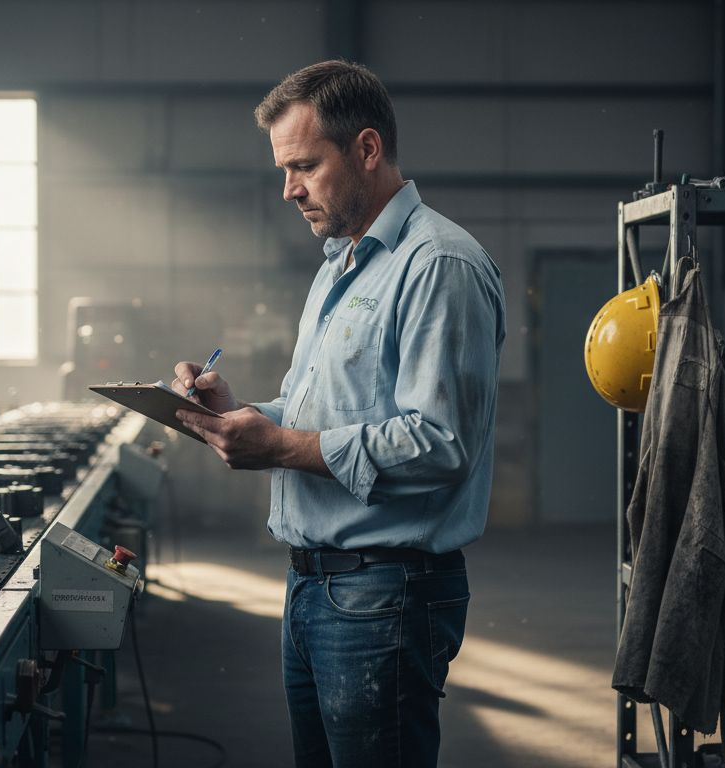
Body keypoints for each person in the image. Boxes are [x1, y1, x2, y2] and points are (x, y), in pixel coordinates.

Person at [171, 60, 505, 768]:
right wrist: (236, 412)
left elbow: (442, 443)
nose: (288, 189)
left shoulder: (438, 265)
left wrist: (281, 447)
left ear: (366, 149)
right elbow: (310, 410)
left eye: (303, 166)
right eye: (283, 169)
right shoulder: (340, 267)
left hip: (384, 592)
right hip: (316, 587)